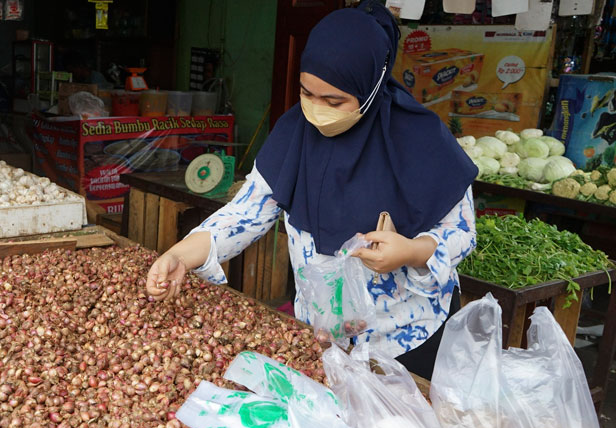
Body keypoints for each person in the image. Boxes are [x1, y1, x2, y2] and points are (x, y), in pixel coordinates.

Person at [145, 1, 478, 380]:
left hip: (405, 341)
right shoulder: (295, 135)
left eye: (334, 101)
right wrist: (181, 256)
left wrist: (412, 251)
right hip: (322, 337)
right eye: (307, 93)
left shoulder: (421, 140)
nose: (317, 110)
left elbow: (461, 233)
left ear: (370, 85)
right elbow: (245, 213)